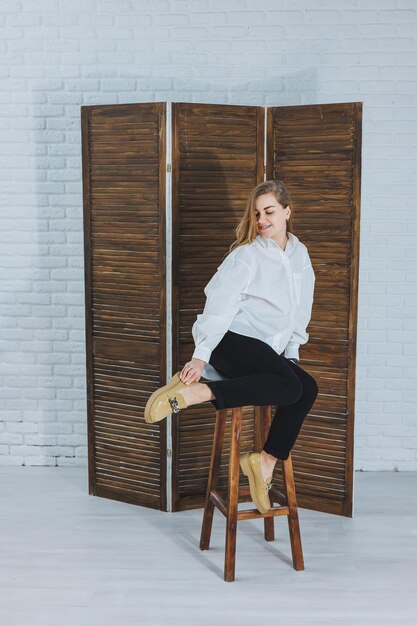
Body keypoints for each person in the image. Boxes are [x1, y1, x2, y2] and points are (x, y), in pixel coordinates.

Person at [144, 179, 319, 514]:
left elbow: (302, 308)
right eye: (256, 214)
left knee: (306, 388)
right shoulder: (247, 255)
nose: (262, 220)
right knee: (291, 387)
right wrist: (200, 355)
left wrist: (293, 352)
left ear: (287, 211)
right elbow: (220, 305)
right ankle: (199, 393)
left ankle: (264, 461)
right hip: (229, 340)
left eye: (269, 211)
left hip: (266, 349)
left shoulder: (300, 255)